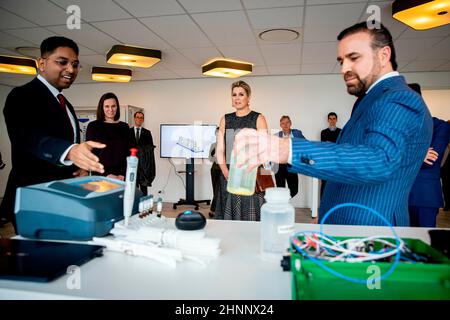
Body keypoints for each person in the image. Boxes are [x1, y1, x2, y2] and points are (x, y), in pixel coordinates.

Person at [234, 22, 433, 226]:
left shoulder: (397, 98)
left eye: (354, 58)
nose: (345, 68)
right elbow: (351, 165)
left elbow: (378, 160)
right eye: (341, 61)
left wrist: (287, 149)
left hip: (370, 231)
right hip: (345, 224)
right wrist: (327, 213)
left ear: (383, 55)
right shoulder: (371, 100)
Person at [1, 36, 105, 230]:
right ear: (42, 63)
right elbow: (30, 138)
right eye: (62, 62)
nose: (71, 70)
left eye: (75, 64)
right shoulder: (21, 96)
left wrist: (79, 167)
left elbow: (69, 144)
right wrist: (70, 151)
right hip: (34, 198)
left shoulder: (67, 105)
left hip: (63, 196)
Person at [214, 80, 268, 221]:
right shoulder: (225, 119)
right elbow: (220, 150)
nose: (237, 98)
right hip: (229, 175)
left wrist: (247, 172)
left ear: (248, 97)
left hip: (252, 176)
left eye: (241, 94)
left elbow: (264, 150)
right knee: (229, 221)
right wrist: (226, 172)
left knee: (251, 219)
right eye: (234, 95)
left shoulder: (258, 118)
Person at [86, 92, 130, 180]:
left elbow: (128, 153)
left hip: (122, 177)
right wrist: (106, 175)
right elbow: (91, 154)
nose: (111, 109)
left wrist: (122, 174)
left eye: (113, 106)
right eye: (107, 106)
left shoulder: (124, 127)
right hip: (100, 176)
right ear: (101, 108)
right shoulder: (93, 126)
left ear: (117, 107)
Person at [274, 116, 304, 198]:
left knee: (294, 190)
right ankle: (282, 206)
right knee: (280, 189)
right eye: (283, 123)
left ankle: (285, 200)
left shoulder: (297, 133)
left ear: (290, 123)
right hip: (280, 165)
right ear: (280, 125)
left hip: (292, 164)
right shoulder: (276, 136)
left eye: (287, 122)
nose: (285, 125)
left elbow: (305, 144)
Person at [129, 111, 156, 195]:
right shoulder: (128, 132)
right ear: (134, 119)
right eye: (137, 117)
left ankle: (145, 206)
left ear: (143, 120)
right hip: (132, 164)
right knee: (133, 187)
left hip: (143, 166)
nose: (139, 119)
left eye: (141, 118)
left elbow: (150, 149)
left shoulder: (147, 133)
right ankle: (135, 206)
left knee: (144, 187)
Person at [320, 112, 342, 196]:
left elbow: (340, 146)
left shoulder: (341, 132)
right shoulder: (323, 132)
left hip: (337, 160)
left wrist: (330, 143)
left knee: (336, 183)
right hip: (326, 160)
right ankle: (322, 204)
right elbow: (324, 146)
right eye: (330, 119)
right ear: (328, 120)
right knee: (325, 182)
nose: (332, 120)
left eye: (334, 119)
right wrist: (335, 144)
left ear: (336, 120)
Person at [208, 127, 221, 218]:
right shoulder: (213, 145)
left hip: (223, 170)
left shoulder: (227, 144)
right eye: (216, 133)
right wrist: (216, 157)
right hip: (214, 170)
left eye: (218, 133)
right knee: (215, 190)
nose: (217, 135)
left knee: (218, 190)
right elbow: (210, 158)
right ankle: (216, 209)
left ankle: (213, 209)